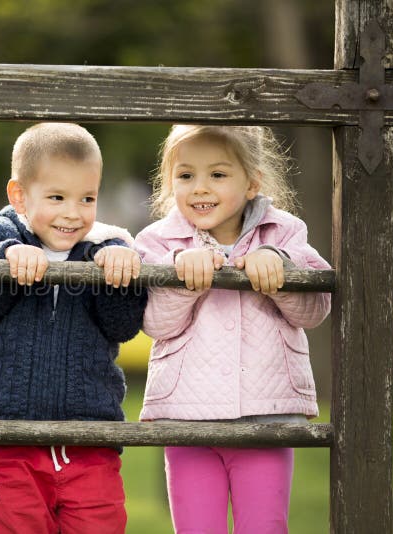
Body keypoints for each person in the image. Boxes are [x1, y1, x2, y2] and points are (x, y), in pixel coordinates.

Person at [0, 122, 148, 534]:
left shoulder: (104, 249)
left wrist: (118, 276)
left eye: (87, 198)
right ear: (19, 196)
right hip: (10, 440)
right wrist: (5, 260)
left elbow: (123, 326)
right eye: (57, 197)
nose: (73, 212)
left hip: (88, 439)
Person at [134, 124, 332, 533]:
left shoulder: (285, 232)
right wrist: (182, 279)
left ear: (252, 182)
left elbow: (313, 311)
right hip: (187, 421)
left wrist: (278, 268)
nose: (200, 188)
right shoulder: (158, 242)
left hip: (265, 418)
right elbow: (153, 322)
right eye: (185, 175)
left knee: (264, 527)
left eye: (218, 174)